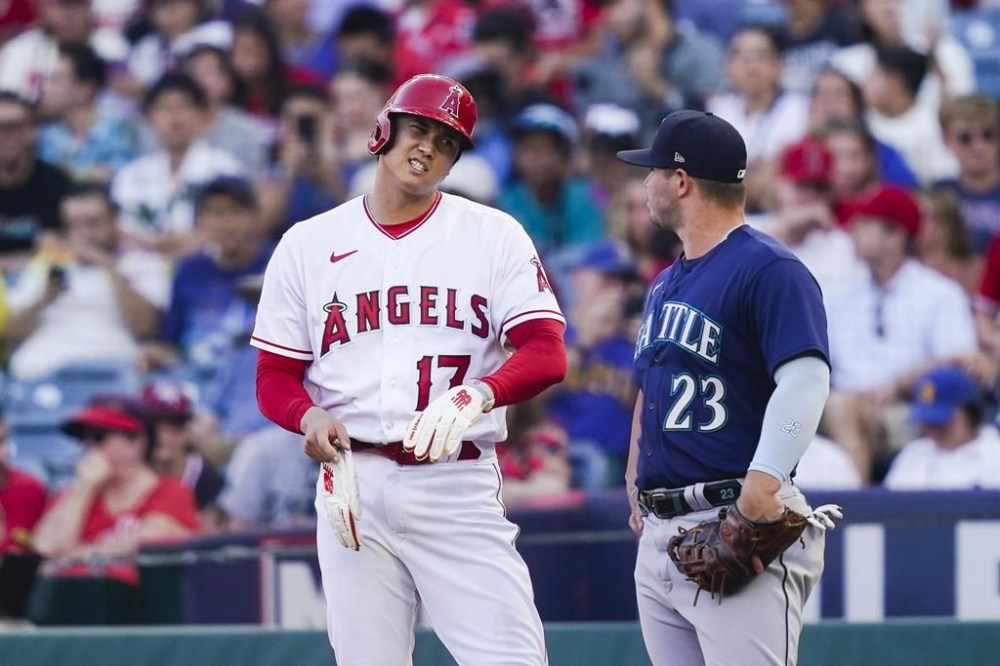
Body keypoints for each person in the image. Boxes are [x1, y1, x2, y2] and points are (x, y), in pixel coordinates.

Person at [251, 74, 567, 665]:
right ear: (384, 130)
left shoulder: (492, 235)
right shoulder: (308, 244)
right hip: (353, 483)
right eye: (418, 129)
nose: (427, 148)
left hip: (455, 480)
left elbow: (547, 351)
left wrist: (479, 395)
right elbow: (273, 377)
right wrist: (308, 415)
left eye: (446, 142)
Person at [618, 110, 833, 665]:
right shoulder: (666, 282)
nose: (646, 182)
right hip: (663, 530)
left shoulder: (769, 268)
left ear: (682, 181)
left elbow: (806, 379)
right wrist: (635, 473)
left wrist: (761, 489)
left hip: (735, 515)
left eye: (654, 170)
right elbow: (652, 380)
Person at [5, 182, 170, 380]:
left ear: (114, 220)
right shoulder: (46, 263)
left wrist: (109, 266)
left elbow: (146, 327)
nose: (82, 233)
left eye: (92, 223)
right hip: (43, 365)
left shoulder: (141, 262)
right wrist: (44, 298)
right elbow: (12, 333)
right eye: (72, 225)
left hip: (113, 363)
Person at [31, 394, 201, 584]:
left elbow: (149, 543)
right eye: (83, 438)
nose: (89, 447)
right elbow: (47, 548)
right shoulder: (74, 495)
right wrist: (83, 487)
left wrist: (71, 557)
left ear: (137, 441)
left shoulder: (170, 490)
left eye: (98, 437)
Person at [883, 366, 1000, 490]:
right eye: (928, 421)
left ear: (969, 413)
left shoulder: (994, 454)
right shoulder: (913, 453)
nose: (933, 429)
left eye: (941, 421)